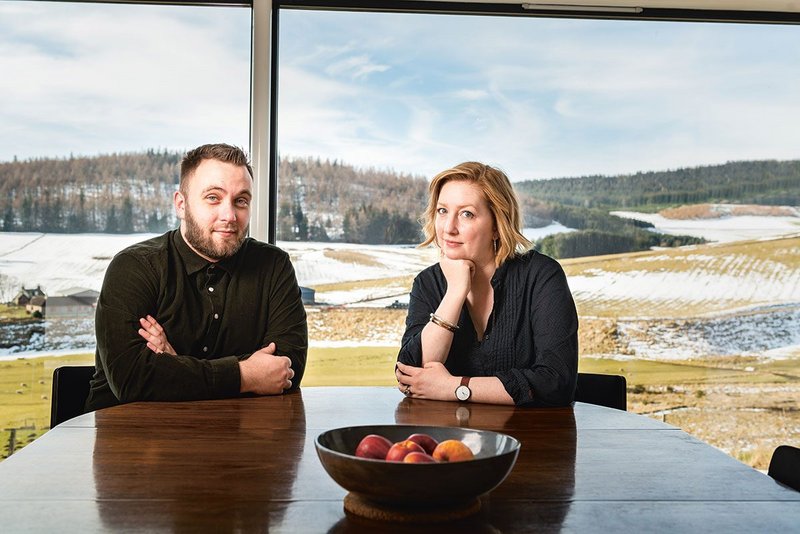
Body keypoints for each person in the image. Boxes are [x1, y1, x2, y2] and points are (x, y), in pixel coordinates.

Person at [86, 143, 307, 411]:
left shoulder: (274, 265)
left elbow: (285, 369)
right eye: (213, 197)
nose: (229, 216)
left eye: (241, 201)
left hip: (237, 441)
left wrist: (176, 365)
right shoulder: (135, 267)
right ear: (181, 204)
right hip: (134, 441)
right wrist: (246, 375)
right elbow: (132, 379)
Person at [396, 162, 578, 406]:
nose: (449, 228)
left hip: (529, 438)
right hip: (447, 439)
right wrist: (455, 292)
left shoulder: (541, 275)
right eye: (442, 211)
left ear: (496, 226)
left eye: (466, 214)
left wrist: (454, 387)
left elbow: (556, 383)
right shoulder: (428, 283)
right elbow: (411, 374)